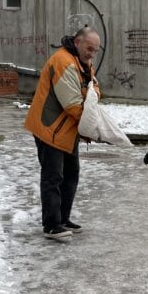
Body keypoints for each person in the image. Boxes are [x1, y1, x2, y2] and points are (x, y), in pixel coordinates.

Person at [24, 27, 101, 241]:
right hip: (50, 128)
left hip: (67, 130)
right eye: (89, 49)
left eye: (95, 51)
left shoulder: (83, 64)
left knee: (71, 174)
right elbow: (74, 105)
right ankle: (51, 225)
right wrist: (93, 127)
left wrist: (91, 101)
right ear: (77, 42)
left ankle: (63, 219)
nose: (92, 54)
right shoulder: (63, 62)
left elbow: (95, 90)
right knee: (53, 177)